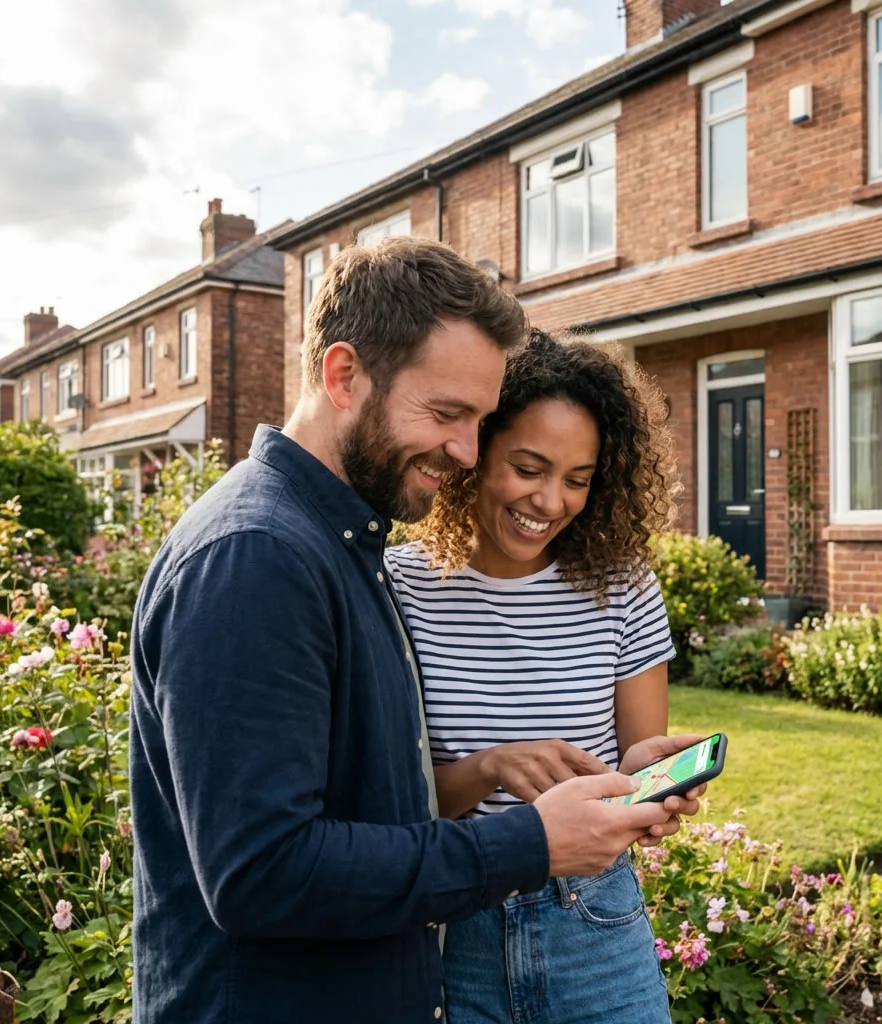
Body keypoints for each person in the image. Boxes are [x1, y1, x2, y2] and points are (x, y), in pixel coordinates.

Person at [128, 238, 702, 1024]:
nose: (465, 450)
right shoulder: (255, 558)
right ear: (343, 375)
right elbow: (263, 871)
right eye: (446, 413)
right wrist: (528, 839)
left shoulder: (338, 548)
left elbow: (374, 805)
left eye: (477, 419)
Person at [386, 329, 690, 1024]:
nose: (550, 501)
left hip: (593, 925)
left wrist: (645, 778)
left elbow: (635, 765)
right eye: (528, 468)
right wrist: (490, 767)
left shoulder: (624, 587)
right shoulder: (401, 587)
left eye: (577, 480)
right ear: (474, 451)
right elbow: (394, 805)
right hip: (455, 926)